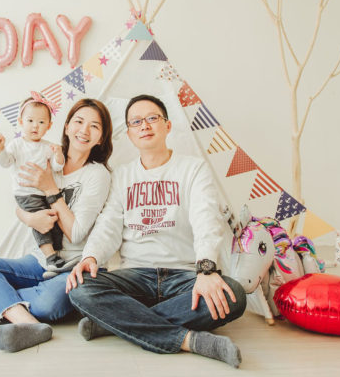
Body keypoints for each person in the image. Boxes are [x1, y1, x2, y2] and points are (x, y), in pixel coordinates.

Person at [66, 94, 247, 368]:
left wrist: (206, 270)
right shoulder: (122, 175)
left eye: (152, 118)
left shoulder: (193, 168)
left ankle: (115, 323)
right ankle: (190, 340)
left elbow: (206, 220)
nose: (145, 125)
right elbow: (108, 224)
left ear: (167, 125)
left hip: (185, 276)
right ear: (129, 133)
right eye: (136, 122)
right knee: (80, 288)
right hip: (135, 277)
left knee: (234, 294)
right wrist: (90, 257)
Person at [0, 98, 114, 353]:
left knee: (48, 304)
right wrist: (27, 218)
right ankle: (30, 325)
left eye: (94, 126)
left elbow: (76, 235)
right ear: (66, 127)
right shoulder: (47, 157)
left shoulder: (97, 174)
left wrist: (51, 189)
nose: (84, 130)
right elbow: (23, 199)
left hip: (74, 266)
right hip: (40, 260)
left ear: (101, 138)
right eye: (78, 121)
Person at [0, 92, 71, 272]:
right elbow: (6, 162)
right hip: (26, 193)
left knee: (54, 219)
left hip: (45, 192)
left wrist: (59, 154)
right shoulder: (16, 145)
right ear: (21, 122)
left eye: (41, 122)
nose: (35, 126)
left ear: (49, 126)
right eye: (30, 121)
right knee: (39, 220)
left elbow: (58, 167)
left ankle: (57, 253)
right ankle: (50, 257)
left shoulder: (48, 146)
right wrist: (0, 148)